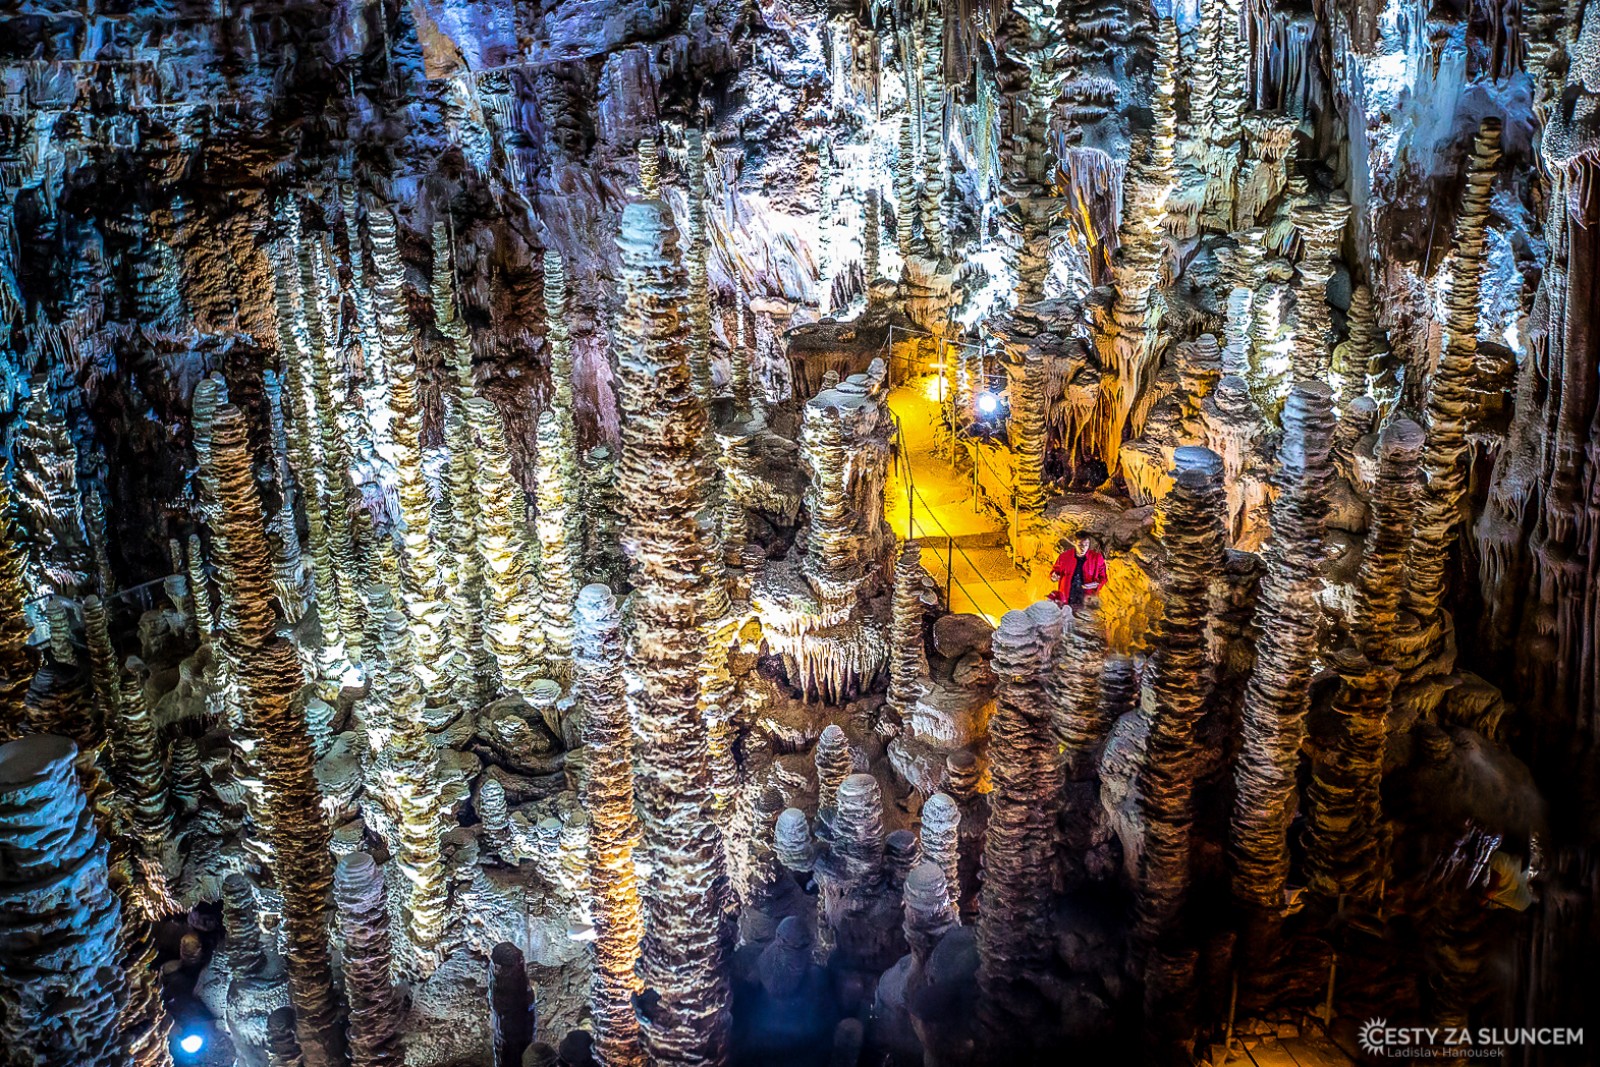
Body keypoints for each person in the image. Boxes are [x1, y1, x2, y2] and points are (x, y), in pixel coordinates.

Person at [1050, 534, 1107, 608]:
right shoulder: (1064, 557)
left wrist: (1095, 584)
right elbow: (1055, 573)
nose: (1083, 548)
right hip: (1066, 600)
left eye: (1086, 545)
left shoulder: (1096, 558)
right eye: (1080, 544)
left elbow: (1103, 578)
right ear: (1074, 543)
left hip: (1086, 600)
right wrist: (1054, 577)